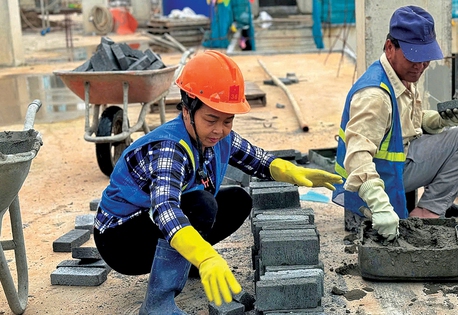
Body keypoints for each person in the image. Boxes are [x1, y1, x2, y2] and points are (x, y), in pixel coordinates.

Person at [93, 50, 342, 314]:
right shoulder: (169, 148)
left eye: (228, 120)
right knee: (201, 204)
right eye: (211, 119)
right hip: (120, 241)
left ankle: (187, 264)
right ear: (188, 108)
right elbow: (165, 209)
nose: (219, 130)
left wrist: (291, 171)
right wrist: (207, 256)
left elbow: (257, 159)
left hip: (150, 227)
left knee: (237, 200)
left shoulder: (219, 137)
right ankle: (157, 303)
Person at [332, 5, 458, 241]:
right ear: (390, 47)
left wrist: (439, 120)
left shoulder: (401, 75)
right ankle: (424, 209)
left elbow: (406, 121)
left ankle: (429, 208)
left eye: (425, 60)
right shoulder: (374, 95)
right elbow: (358, 155)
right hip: (379, 176)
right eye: (414, 58)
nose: (420, 67)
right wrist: (380, 206)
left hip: (399, 162)